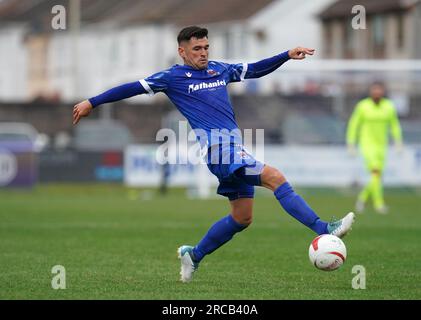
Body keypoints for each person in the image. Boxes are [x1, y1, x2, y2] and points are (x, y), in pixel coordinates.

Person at [73, 26, 355, 283]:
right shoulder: (172, 77)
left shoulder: (220, 69)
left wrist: (286, 55)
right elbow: (133, 87)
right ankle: (324, 228)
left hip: (234, 150)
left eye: (206, 47)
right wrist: (92, 102)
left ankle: (193, 255)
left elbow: (255, 69)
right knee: (274, 177)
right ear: (182, 51)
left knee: (242, 218)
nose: (204, 53)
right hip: (219, 152)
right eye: (197, 49)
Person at [347, 82, 403, 214]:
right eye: (375, 90)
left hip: (381, 146)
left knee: (377, 176)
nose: (377, 93)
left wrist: (398, 141)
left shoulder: (389, 106)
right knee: (376, 172)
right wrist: (351, 142)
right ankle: (379, 204)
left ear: (383, 92)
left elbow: (394, 125)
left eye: (379, 90)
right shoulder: (363, 106)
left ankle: (362, 198)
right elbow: (354, 124)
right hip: (367, 144)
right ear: (370, 92)